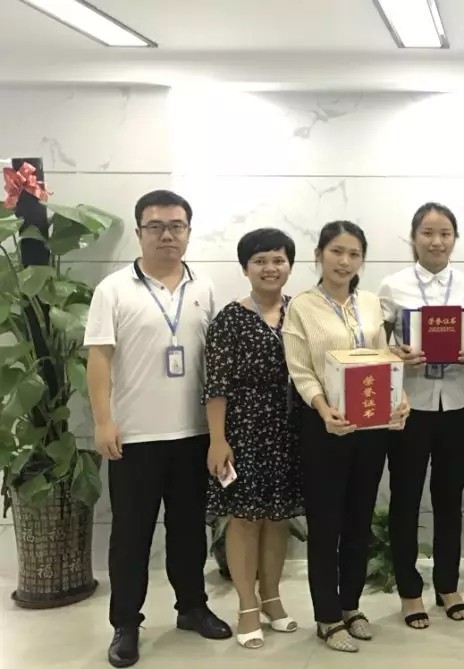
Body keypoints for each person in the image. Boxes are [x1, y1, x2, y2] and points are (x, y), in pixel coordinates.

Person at [85, 190, 231, 668]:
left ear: (188, 231)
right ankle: (126, 624)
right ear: (139, 232)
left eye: (176, 226)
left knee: (188, 530)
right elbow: (99, 359)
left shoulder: (204, 287)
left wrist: (218, 434)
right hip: (134, 438)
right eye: (156, 226)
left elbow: (216, 364)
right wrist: (103, 421)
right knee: (131, 535)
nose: (167, 235)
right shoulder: (113, 289)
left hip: (192, 434)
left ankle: (192, 607)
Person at [283, 220, 410, 652]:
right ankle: (326, 616)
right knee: (326, 524)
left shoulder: (371, 303)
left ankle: (351, 605)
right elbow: (300, 369)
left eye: (354, 254)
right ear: (319, 255)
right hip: (326, 428)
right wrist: (323, 409)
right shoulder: (302, 307)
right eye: (337, 251)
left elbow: (384, 358)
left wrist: (400, 398)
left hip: (371, 429)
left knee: (359, 518)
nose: (345, 261)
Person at [378, 202, 464, 629]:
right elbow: (376, 345)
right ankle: (409, 589)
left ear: (455, 239)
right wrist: (396, 354)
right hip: (409, 406)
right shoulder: (392, 286)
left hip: (459, 402)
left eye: (444, 233)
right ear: (413, 237)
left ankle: (447, 585)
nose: (436, 241)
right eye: (427, 233)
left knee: (448, 498)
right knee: (405, 499)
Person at [204, 228, 304, 650]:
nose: (270, 268)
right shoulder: (229, 319)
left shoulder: (300, 312)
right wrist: (217, 439)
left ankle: (272, 599)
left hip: (290, 430)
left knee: (277, 518)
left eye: (278, 260)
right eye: (260, 260)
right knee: (244, 519)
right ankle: (247, 605)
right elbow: (216, 386)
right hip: (242, 432)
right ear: (246, 268)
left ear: (290, 266)